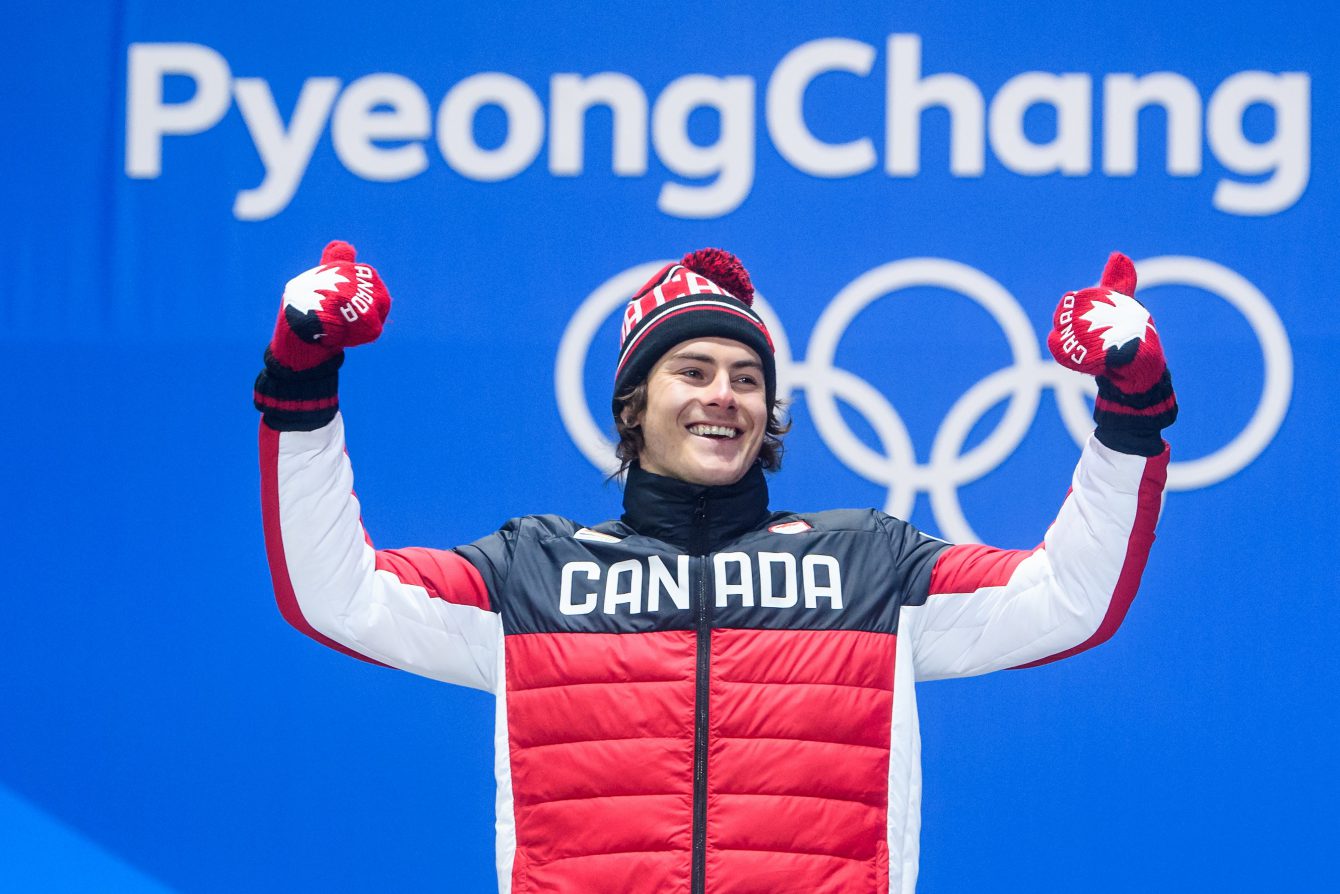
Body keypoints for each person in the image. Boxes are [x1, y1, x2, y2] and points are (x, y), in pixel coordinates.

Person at [255, 243, 1176, 894]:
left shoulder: (867, 563)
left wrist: (1128, 414)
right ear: (633, 402)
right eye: (690, 370)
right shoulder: (532, 573)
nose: (723, 396)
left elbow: (1071, 597)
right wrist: (304, 380)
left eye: (746, 377)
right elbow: (337, 594)